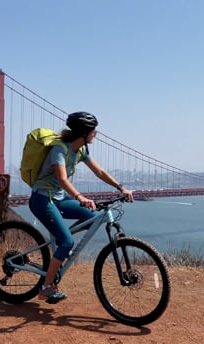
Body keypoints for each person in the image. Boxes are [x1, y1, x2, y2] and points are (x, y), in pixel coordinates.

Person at [28, 111, 133, 303]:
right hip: (42, 199)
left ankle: (61, 242)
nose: (95, 134)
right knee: (67, 242)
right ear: (84, 132)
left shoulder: (82, 150)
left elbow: (99, 171)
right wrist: (80, 196)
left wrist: (120, 187)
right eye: (94, 131)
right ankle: (45, 288)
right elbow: (61, 178)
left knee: (89, 216)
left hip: (58, 198)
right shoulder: (59, 150)